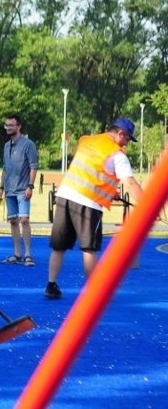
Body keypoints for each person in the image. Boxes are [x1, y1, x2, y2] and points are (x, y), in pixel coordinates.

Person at [45, 118, 144, 299]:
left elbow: (91, 170)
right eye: (128, 139)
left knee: (59, 246)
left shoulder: (87, 141)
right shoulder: (117, 155)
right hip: (88, 204)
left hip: (65, 195)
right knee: (89, 248)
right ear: (120, 133)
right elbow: (129, 183)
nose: (127, 143)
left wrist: (109, 191)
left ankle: (51, 285)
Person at [0, 114, 39, 267]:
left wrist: (30, 186)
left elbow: (33, 166)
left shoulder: (28, 145)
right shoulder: (6, 146)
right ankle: (17, 253)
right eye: (6, 125)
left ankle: (28, 254)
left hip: (23, 189)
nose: (8, 128)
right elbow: (4, 168)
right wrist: (1, 187)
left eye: (11, 125)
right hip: (9, 190)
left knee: (24, 220)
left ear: (19, 126)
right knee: (13, 221)